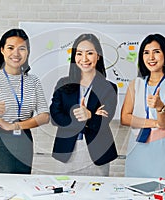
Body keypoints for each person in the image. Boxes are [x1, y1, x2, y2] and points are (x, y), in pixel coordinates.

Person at [0, 29, 49, 174]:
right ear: (2, 50)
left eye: (21, 49)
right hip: (0, 143)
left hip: (25, 141)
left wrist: (14, 126)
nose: (16, 53)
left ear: (27, 52)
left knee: (22, 187)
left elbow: (45, 116)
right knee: (0, 190)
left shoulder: (33, 81)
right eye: (11, 48)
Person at [50, 33, 118, 176]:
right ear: (74, 57)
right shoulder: (63, 84)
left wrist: (89, 115)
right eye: (79, 53)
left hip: (98, 152)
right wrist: (89, 118)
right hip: (67, 151)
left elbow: (104, 121)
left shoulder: (108, 87)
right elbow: (55, 117)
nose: (84, 59)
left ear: (98, 56)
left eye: (90, 53)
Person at [121, 33, 165, 178]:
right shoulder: (135, 84)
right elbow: (125, 118)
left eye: (156, 52)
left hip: (162, 154)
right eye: (146, 52)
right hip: (137, 152)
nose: (151, 57)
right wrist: (154, 122)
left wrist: (160, 108)